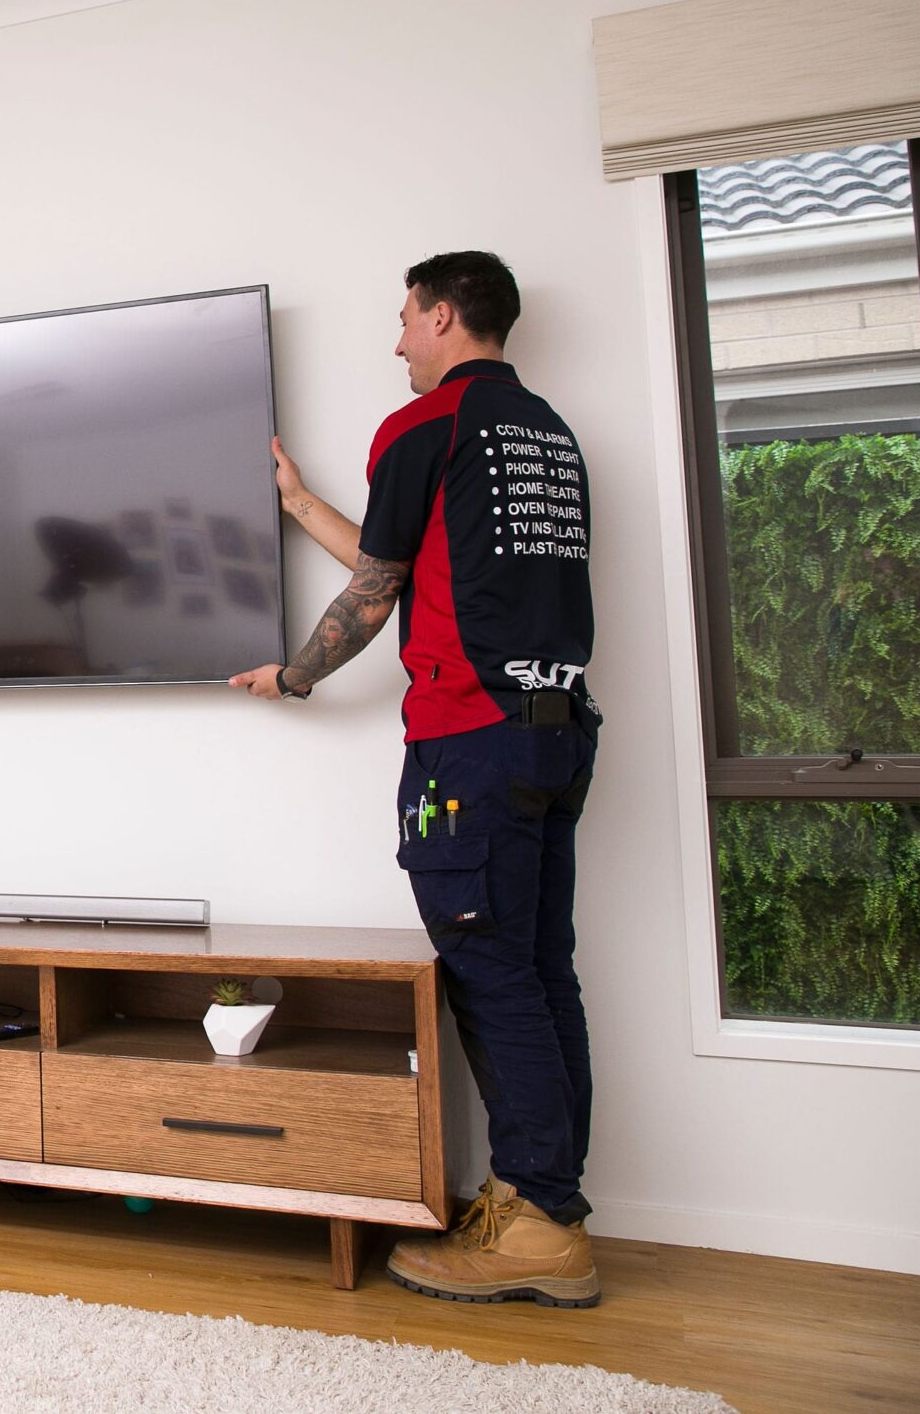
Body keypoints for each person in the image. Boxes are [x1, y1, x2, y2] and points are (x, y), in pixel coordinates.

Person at [230, 251, 603, 1308]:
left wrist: (294, 677)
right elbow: (418, 560)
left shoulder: (425, 426)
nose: (396, 342)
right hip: (553, 730)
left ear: (443, 317)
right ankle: (547, 1207)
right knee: (541, 975)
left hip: (468, 742)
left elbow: (376, 594)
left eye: (403, 320)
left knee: (493, 982)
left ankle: (538, 1223)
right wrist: (301, 504)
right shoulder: (546, 434)